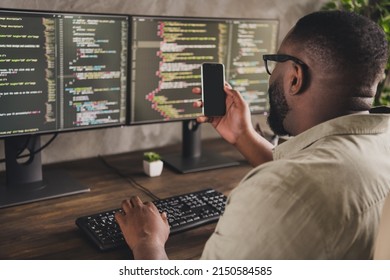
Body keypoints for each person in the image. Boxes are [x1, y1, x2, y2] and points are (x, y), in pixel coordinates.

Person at [115, 10, 390, 259]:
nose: (271, 77)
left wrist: (146, 242)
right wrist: (244, 136)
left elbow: (298, 188)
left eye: (274, 63)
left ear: (295, 77)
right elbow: (319, 173)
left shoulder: (278, 194)